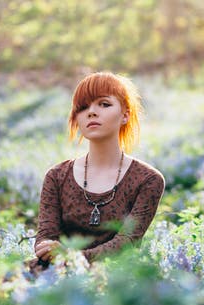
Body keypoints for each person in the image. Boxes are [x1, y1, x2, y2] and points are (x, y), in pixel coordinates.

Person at [32, 72, 165, 270]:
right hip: (58, 273)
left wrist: (71, 257)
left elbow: (126, 243)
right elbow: (45, 237)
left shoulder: (148, 180)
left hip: (115, 278)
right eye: (83, 107)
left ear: (125, 115)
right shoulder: (57, 176)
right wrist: (52, 251)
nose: (92, 112)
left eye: (104, 104)